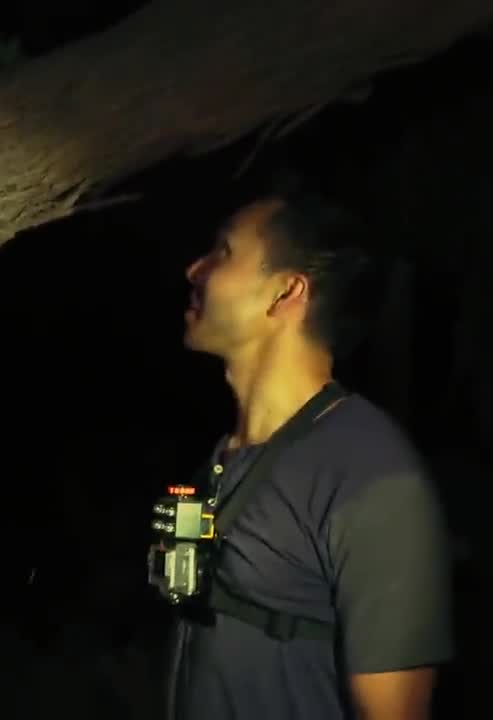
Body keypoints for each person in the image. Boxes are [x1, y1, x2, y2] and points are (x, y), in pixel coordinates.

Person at [167, 188, 454, 720]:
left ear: (286, 292)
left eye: (223, 253)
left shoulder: (371, 475)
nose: (195, 269)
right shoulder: (224, 456)